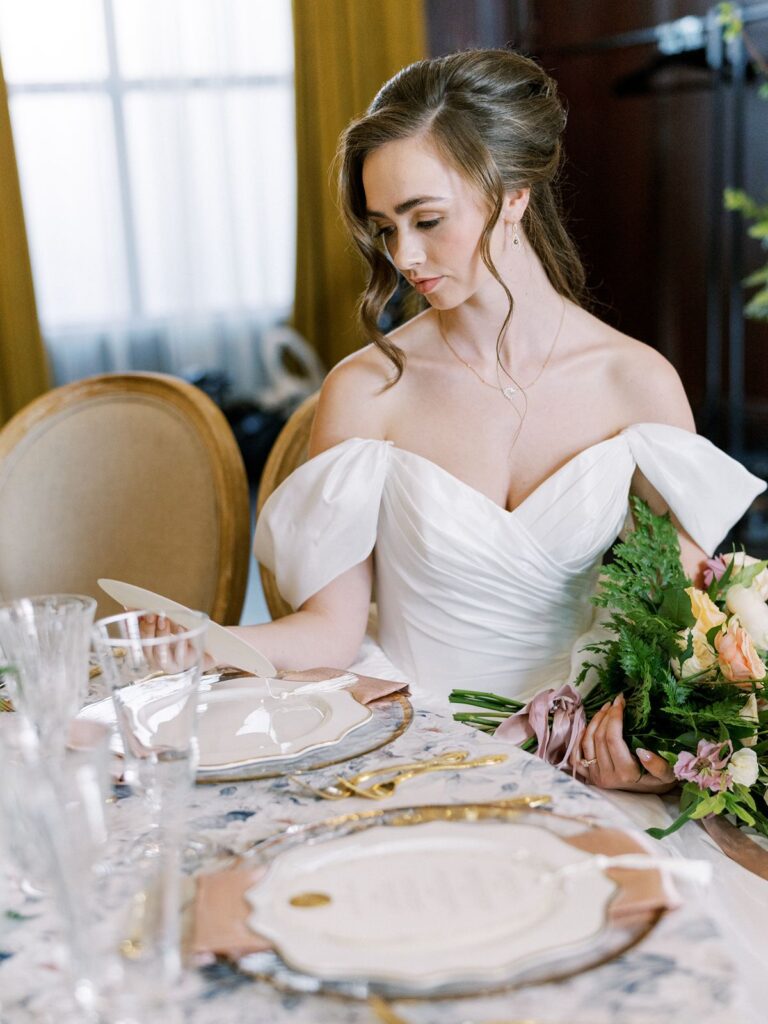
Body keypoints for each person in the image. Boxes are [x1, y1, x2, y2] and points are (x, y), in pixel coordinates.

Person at [187, 50, 768, 794]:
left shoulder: (636, 385)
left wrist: (649, 758)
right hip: (406, 745)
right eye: (384, 228)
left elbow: (686, 637)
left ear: (515, 193)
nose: (404, 257)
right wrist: (198, 645)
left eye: (427, 220)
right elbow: (332, 629)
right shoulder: (368, 390)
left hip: (586, 770)